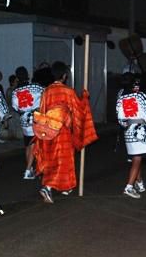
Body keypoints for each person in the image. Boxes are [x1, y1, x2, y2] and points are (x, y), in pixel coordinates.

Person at [33, 61, 97, 203]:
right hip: (62, 131)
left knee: (51, 159)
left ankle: (64, 186)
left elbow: (42, 110)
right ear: (64, 76)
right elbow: (78, 111)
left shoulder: (46, 91)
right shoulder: (68, 92)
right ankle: (48, 187)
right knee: (63, 160)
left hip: (47, 130)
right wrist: (85, 99)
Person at [116, 75, 146, 198]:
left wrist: (127, 124)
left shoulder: (121, 98)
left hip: (129, 131)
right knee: (138, 158)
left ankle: (139, 182)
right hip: (140, 129)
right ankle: (129, 186)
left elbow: (120, 118)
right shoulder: (140, 95)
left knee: (137, 158)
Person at [11, 66, 44, 180]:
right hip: (36, 118)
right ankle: (28, 169)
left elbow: (16, 107)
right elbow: (44, 99)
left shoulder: (16, 91)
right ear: (28, 75)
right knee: (35, 145)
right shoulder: (37, 87)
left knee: (28, 145)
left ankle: (29, 169)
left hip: (24, 120)